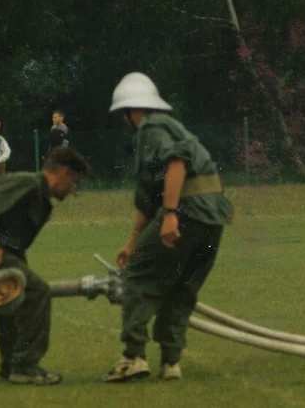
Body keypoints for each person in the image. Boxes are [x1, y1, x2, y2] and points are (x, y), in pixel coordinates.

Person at [104, 72, 234, 383]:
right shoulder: (175, 128)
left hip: (187, 211)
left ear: (132, 112)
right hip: (212, 218)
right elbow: (148, 199)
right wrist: (133, 242)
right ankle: (171, 363)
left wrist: (172, 214)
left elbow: (176, 163)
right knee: (181, 287)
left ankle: (133, 356)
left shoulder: (151, 128)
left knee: (137, 275)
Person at [0, 146, 90, 385]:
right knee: (37, 292)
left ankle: (10, 367)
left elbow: (15, 245)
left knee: (10, 303)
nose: (73, 187)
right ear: (63, 172)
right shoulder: (27, 183)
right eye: (73, 180)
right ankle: (24, 366)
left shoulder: (42, 200)